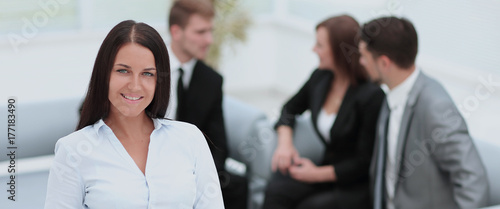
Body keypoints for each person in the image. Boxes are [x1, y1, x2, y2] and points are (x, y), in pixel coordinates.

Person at [44, 20, 223, 208]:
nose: (135, 86)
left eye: (147, 74)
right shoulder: (73, 151)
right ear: (104, 74)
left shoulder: (190, 139)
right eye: (123, 71)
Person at [358, 17, 489, 209]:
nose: (360, 62)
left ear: (384, 63)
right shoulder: (391, 93)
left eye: (364, 56)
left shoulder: (435, 105)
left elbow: (473, 180)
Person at [263, 15, 385, 209]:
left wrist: (316, 174)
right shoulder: (321, 78)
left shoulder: (371, 96)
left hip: (353, 185)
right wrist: (285, 144)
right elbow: (289, 109)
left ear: (339, 51)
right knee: (276, 191)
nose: (314, 49)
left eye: (320, 45)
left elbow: (364, 162)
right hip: (323, 172)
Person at [166, 0, 248, 208]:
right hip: (145, 161)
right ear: (176, 32)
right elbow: (92, 109)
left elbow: (219, 144)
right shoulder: (145, 68)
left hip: (191, 170)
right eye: (201, 32)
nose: (209, 40)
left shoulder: (212, 80)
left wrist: (202, 179)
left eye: (210, 31)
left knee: (236, 184)